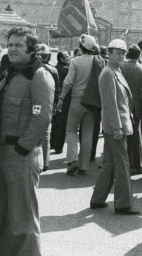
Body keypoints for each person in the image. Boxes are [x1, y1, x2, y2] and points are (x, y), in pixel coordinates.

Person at [0, 26, 54, 256]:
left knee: (22, 217)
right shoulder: (9, 73)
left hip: (20, 154)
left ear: (31, 49)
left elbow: (41, 117)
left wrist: (23, 148)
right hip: (1, 153)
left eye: (18, 45)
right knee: (2, 216)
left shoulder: (39, 76)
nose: (12, 49)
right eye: (10, 45)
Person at [89, 39, 139, 214]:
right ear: (108, 54)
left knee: (109, 164)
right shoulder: (108, 73)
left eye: (123, 53)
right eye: (117, 52)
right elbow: (109, 103)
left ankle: (98, 199)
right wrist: (117, 127)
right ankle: (123, 203)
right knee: (122, 165)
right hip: (116, 126)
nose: (121, 56)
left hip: (117, 124)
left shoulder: (115, 71)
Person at [57, 34, 99, 175]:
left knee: (71, 130)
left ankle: (72, 160)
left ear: (81, 47)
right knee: (87, 133)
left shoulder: (75, 61)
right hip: (92, 102)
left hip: (77, 100)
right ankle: (84, 165)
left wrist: (61, 97)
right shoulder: (99, 61)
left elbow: (68, 82)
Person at [120, 44, 142, 174]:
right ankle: (137, 163)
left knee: (121, 134)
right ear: (139, 56)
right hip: (137, 104)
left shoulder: (121, 67)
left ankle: (122, 162)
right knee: (136, 134)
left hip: (122, 103)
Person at [36, 43, 59, 171]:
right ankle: (45, 162)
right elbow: (57, 90)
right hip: (48, 105)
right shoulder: (53, 70)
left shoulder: (32, 68)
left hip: (33, 104)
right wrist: (55, 105)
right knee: (45, 134)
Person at [51, 51, 70, 154]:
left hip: (54, 97)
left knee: (55, 121)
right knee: (63, 123)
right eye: (66, 57)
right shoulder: (67, 70)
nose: (69, 58)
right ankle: (58, 146)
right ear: (61, 59)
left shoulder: (54, 68)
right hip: (64, 99)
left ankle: (52, 143)